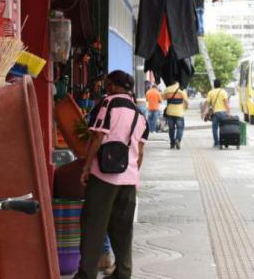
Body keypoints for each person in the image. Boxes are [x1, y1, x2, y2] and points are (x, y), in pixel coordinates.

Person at [76, 70, 148, 279]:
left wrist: (87, 166)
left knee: (93, 225)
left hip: (104, 177)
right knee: (123, 230)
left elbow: (98, 137)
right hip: (129, 179)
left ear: (115, 86)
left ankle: (86, 274)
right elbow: (140, 153)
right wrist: (131, 175)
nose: (106, 88)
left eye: (108, 84)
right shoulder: (139, 113)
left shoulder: (108, 104)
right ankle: (123, 273)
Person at [163, 81, 189, 150]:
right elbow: (186, 101)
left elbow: (162, 98)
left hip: (170, 112)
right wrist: (186, 108)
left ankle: (172, 143)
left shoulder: (167, 89)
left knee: (171, 129)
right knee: (180, 128)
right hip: (179, 112)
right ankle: (178, 140)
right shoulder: (182, 89)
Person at [205, 79, 230, 147]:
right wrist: (229, 112)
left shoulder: (211, 92)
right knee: (224, 128)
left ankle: (216, 143)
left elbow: (207, 103)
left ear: (214, 85)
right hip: (223, 113)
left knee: (214, 128)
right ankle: (224, 141)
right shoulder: (223, 92)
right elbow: (226, 103)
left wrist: (205, 112)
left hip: (215, 113)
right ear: (220, 84)